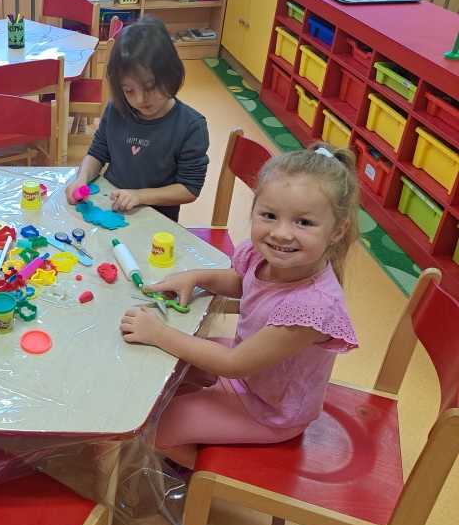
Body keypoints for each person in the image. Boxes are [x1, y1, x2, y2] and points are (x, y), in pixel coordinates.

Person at [120, 143, 360, 471]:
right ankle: (198, 437)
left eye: (303, 222)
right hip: (251, 373)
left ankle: (212, 479)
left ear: (337, 231)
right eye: (269, 216)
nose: (281, 233)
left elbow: (234, 365)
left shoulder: (313, 307)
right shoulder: (267, 257)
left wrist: (158, 333)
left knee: (154, 428)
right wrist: (196, 277)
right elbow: (242, 281)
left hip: (271, 410)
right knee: (165, 372)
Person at [64, 15, 209, 221]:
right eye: (129, 90)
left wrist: (139, 196)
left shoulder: (190, 126)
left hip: (155, 218)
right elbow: (97, 153)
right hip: (110, 207)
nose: (140, 99)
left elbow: (189, 188)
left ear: (171, 75)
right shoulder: (116, 109)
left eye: (150, 87)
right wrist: (82, 179)